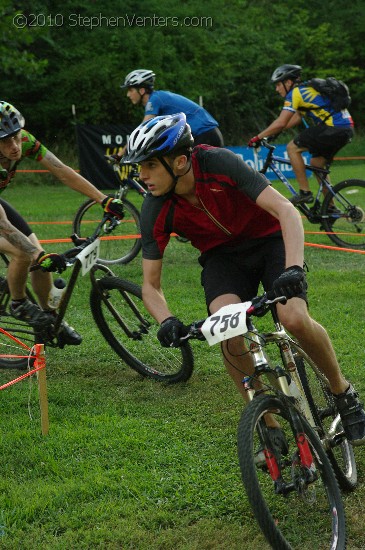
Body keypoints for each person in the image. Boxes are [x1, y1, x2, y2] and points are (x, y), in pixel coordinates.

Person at [120, 112, 365, 447]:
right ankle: (268, 423)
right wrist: (166, 320)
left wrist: (293, 268)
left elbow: (286, 211)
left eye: (149, 165)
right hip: (223, 258)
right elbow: (150, 285)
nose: (142, 175)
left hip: (270, 243)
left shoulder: (218, 163)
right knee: (227, 329)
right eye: (139, 167)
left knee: (292, 317)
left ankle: (342, 392)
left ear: (179, 162)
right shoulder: (155, 207)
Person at [0, 101, 125, 344]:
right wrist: (35, 254)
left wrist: (103, 199)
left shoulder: (23, 140)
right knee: (25, 253)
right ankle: (18, 303)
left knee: (39, 257)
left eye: (15, 137)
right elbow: (3, 225)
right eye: (6, 141)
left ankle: (50, 317)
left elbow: (59, 168)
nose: (15, 146)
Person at [248, 64, 354, 205]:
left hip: (333, 128)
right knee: (317, 164)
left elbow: (281, 122)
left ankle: (305, 193)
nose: (277, 89)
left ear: (288, 82)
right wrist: (274, 134)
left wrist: (258, 137)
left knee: (292, 148)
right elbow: (295, 118)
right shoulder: (307, 90)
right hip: (345, 128)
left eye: (278, 85)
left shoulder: (295, 93)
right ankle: (330, 207)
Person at [121, 69, 224, 147]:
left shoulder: (155, 100)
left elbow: (143, 130)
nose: (128, 95)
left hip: (205, 135)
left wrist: (121, 154)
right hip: (207, 134)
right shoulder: (157, 98)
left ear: (142, 90)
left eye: (130, 90)